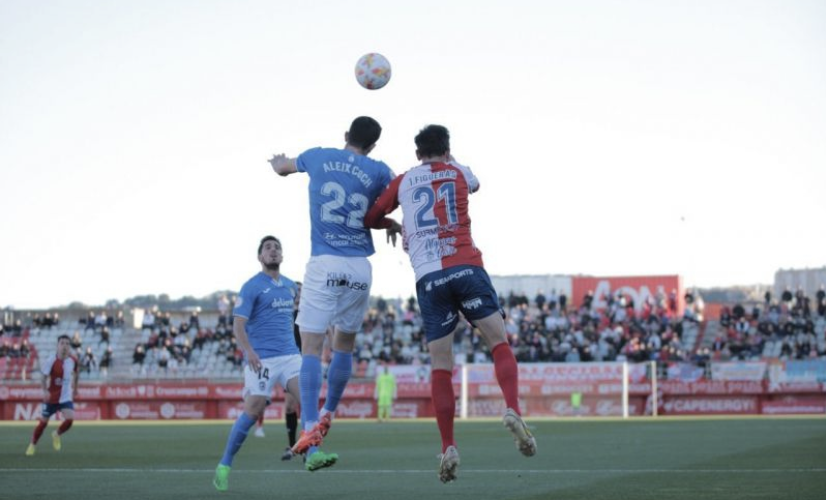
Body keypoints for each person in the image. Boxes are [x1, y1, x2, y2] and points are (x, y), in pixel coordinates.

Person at [364, 124, 537, 483]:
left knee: (441, 364)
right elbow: (476, 184)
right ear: (446, 150)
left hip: (429, 279)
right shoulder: (458, 171)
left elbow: (371, 216)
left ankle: (448, 446)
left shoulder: (404, 180)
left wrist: (392, 222)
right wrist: (450, 160)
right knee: (497, 341)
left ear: (416, 154)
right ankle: (513, 408)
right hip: (466, 266)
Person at [268, 116, 396, 465]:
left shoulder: (318, 156)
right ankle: (329, 412)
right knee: (344, 345)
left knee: (310, 349)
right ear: (372, 145)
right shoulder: (380, 169)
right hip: (360, 267)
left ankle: (310, 430)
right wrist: (389, 222)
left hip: (325, 261)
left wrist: (278, 162)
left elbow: (283, 168)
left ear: (346, 136)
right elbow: (381, 208)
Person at [213, 236, 319, 491]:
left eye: (277, 248)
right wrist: (248, 351)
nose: (273, 251)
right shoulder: (251, 286)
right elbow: (238, 325)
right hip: (262, 358)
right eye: (268, 248)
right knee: (253, 410)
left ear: (282, 256)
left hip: (290, 356)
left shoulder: (290, 288)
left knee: (308, 397)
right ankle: (224, 465)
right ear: (260, 257)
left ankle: (313, 453)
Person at [26, 334, 79, 456]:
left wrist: (75, 388)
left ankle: (57, 434)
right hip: (51, 398)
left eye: (67, 343)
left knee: (70, 419)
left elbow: (76, 374)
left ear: (69, 346)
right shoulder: (51, 361)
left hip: (65, 397)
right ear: (57, 346)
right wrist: (45, 391)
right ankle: (32, 444)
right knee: (43, 423)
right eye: (62, 343)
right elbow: (43, 377)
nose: (64, 346)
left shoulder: (73, 361)